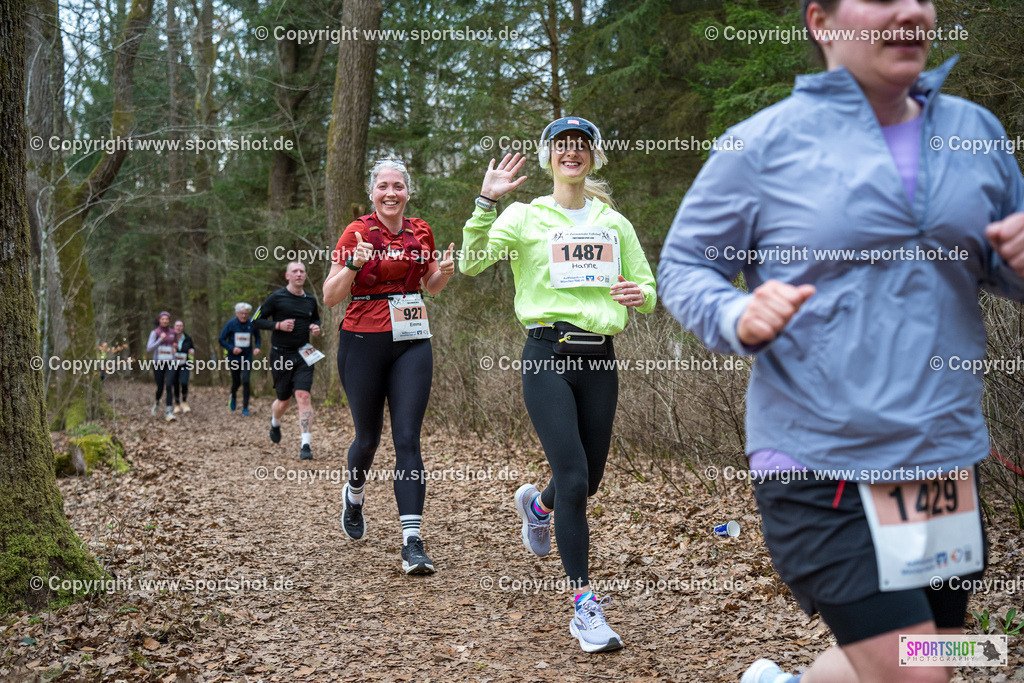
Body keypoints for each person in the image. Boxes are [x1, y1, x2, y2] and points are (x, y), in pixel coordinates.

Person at [657, 0, 1024, 680]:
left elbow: (1002, 264)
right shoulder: (763, 143)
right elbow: (685, 265)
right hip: (819, 460)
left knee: (927, 652)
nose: (912, 10)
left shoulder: (976, 131)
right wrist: (735, 314)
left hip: (942, 459)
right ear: (821, 21)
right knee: (920, 670)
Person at [459, 118, 657, 652]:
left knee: (586, 482)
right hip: (546, 353)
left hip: (600, 359)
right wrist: (485, 201)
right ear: (549, 158)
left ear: (593, 158)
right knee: (573, 479)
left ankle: (538, 509)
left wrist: (641, 296)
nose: (572, 154)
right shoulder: (525, 215)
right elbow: (471, 262)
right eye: (562, 147)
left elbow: (646, 284)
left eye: (581, 146)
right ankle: (584, 608)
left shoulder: (613, 222)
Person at [323, 159, 456, 575]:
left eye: (398, 186)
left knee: (408, 440)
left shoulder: (421, 231)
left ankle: (412, 542)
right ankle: (355, 492)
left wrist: (444, 274)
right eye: (383, 186)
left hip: (412, 341)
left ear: (408, 191)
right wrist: (353, 264)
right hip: (362, 341)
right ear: (372, 193)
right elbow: (330, 296)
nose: (391, 193)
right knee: (367, 439)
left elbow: (430, 285)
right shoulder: (357, 232)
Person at [252, 262, 322, 460]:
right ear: (287, 276)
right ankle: (275, 422)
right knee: (284, 400)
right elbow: (255, 320)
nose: (299, 274)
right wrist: (278, 325)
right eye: (295, 272)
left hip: (304, 353)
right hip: (280, 355)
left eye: (302, 271)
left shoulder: (310, 299)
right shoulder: (276, 297)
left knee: (303, 395)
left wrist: (315, 327)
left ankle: (305, 445)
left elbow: (315, 320)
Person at [219, 302, 262, 415]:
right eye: (242, 313)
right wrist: (232, 348)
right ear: (237, 313)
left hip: (247, 358)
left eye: (246, 314)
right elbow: (221, 339)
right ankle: (233, 396)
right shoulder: (231, 324)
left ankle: (245, 408)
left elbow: (258, 337)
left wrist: (257, 347)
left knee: (246, 381)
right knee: (236, 382)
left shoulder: (251, 324)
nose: (244, 316)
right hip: (234, 358)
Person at [145, 312, 178, 422]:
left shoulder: (173, 332)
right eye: (163, 319)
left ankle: (169, 412)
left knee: (169, 385)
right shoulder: (155, 332)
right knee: (160, 387)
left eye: (167, 319)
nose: (165, 321)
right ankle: (157, 402)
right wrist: (160, 340)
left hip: (170, 363)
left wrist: (175, 348)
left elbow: (175, 346)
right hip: (158, 363)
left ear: (169, 320)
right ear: (159, 320)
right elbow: (149, 348)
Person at [170, 320, 195, 414]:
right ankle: (177, 404)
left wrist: (191, 351)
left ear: (183, 327)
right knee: (175, 384)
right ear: (174, 327)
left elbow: (192, 347)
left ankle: (184, 402)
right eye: (177, 326)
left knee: (184, 382)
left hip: (185, 363)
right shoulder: (170, 338)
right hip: (173, 364)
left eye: (180, 326)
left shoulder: (188, 338)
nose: (179, 327)